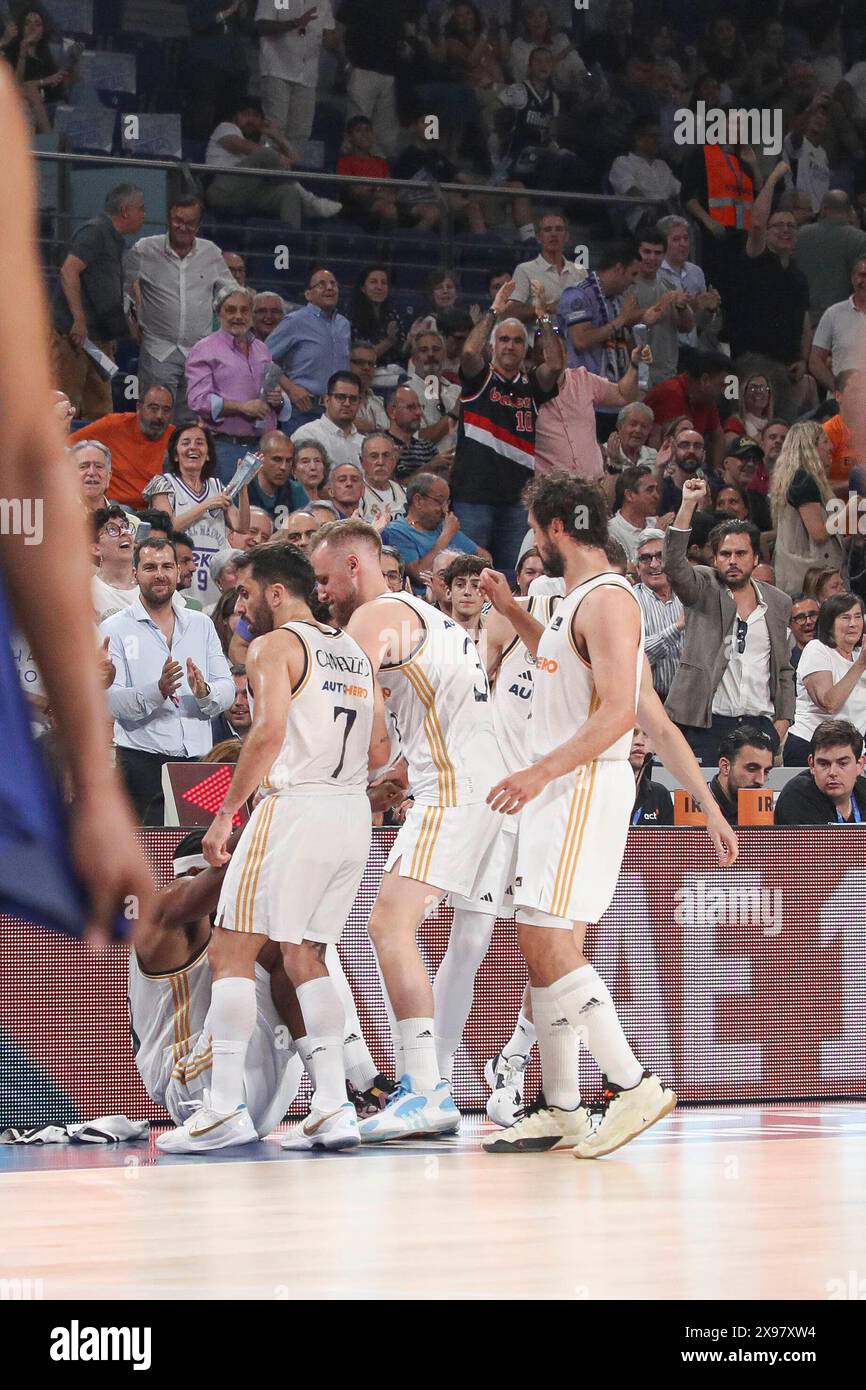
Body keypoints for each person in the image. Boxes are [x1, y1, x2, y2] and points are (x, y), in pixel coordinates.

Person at [478, 472, 737, 1156]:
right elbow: (601, 685)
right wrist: (708, 802)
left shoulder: (610, 599)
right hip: (566, 786)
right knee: (542, 951)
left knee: (549, 945)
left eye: (537, 529)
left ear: (557, 528)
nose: (534, 539)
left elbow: (624, 714)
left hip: (579, 785)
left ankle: (632, 1084)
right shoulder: (575, 604)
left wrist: (538, 772)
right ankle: (563, 1107)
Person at [160, 541, 389, 1152]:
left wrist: (226, 814)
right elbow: (378, 749)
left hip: (294, 806)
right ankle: (335, 1106)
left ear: (277, 592)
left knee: (229, 950)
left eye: (245, 592)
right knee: (308, 955)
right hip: (349, 815)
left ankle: (222, 1107)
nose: (240, 605)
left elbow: (267, 731)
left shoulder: (274, 645)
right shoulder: (355, 653)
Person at [310, 519, 511, 1141]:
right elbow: (440, 713)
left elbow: (343, 698)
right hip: (482, 786)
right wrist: (396, 769)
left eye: (324, 579)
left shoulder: (373, 618)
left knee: (387, 924)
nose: (321, 593)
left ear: (353, 566)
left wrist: (325, 781)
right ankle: (438, 1083)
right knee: (450, 933)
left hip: (454, 790)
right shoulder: (436, 620)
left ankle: (425, 1089)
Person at [131, 829, 304, 1152]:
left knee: (301, 931)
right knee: (289, 934)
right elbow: (204, 888)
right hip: (193, 1090)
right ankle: (354, 1082)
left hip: (268, 1097)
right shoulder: (164, 911)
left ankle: (342, 1094)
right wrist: (270, 814)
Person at [101, 535, 235, 824]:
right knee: (147, 859)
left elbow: (228, 689)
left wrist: (204, 692)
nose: (160, 574)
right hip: (141, 765)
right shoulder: (115, 628)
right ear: (135, 574)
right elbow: (110, 701)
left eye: (166, 566)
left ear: (177, 571)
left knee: (201, 853)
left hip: (201, 763)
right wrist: (157, 691)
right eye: (150, 567)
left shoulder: (201, 624)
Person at [663, 478, 794, 766]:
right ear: (714, 559)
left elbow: (783, 669)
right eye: (725, 554)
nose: (732, 560)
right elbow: (673, 564)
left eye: (741, 553)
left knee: (756, 809)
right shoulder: (703, 587)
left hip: (760, 726)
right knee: (700, 806)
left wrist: (783, 720)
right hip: (707, 724)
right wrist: (688, 504)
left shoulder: (779, 602)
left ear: (756, 557)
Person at [451, 278, 563, 572]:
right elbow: (468, 354)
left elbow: (554, 365)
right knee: (469, 572)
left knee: (513, 575)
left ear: (526, 349)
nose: (510, 346)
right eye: (503, 339)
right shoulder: (479, 377)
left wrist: (543, 318)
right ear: (494, 346)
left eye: (517, 341)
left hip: (517, 500)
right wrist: (494, 312)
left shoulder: (532, 385)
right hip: (472, 496)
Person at [124, 195, 238, 421]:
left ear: (198, 225)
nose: (183, 227)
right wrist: (130, 323)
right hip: (158, 349)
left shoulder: (211, 252)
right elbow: (124, 290)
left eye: (189, 222)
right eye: (178, 220)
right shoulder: (144, 249)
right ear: (168, 219)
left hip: (199, 353)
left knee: (190, 423)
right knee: (153, 420)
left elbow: (230, 291)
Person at [727, 161, 816, 420]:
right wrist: (774, 175)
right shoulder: (758, 259)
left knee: (787, 430)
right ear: (766, 233)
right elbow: (756, 223)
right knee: (757, 426)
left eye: (791, 226)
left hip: (789, 367)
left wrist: (803, 359)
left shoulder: (798, 275)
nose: (786, 230)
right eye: (778, 225)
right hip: (755, 361)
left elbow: (805, 320)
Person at [50, 183, 145, 419]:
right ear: (125, 211)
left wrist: (110, 336)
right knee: (64, 406)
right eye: (140, 209)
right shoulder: (95, 232)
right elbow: (69, 271)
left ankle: (95, 455)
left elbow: (105, 291)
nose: (144, 215)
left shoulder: (115, 240)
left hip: (97, 341)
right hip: (73, 338)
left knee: (100, 411)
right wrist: (78, 320)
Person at [186, 284, 290, 485]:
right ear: (218, 314)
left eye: (244, 310)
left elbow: (272, 393)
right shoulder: (204, 349)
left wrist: (278, 399)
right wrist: (242, 407)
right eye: (230, 310)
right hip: (224, 448)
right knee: (228, 512)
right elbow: (198, 401)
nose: (238, 316)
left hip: (262, 449)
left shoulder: (262, 349)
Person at [143, 422, 250, 608]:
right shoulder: (163, 483)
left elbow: (241, 526)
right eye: (186, 443)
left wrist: (243, 487)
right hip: (180, 571)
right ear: (175, 454)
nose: (193, 447)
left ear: (208, 453)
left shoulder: (217, 486)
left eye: (200, 442)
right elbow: (167, 527)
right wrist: (206, 505)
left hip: (212, 572)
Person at [204, 97, 340, 230]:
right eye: (245, 115)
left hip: (249, 193)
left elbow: (295, 159)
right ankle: (310, 201)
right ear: (235, 117)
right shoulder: (226, 128)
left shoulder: (261, 145)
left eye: (255, 116)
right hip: (221, 189)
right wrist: (276, 157)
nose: (250, 120)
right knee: (266, 154)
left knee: (289, 193)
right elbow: (244, 146)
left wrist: (277, 135)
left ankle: (290, 244)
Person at [535, 344, 651, 482]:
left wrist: (634, 365)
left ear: (567, 355)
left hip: (593, 487)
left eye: (558, 351)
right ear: (537, 356)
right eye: (547, 352)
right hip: (552, 491)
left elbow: (623, 395)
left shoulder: (583, 379)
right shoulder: (523, 389)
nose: (553, 358)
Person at [783, 593, 866, 766]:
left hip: (851, 751)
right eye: (845, 617)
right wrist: (860, 665)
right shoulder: (817, 650)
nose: (853, 624)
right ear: (829, 623)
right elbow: (829, 704)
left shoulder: (859, 654)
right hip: (811, 747)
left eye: (858, 617)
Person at [265, 266, 351, 430]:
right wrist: (291, 388)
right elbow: (262, 358)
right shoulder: (295, 321)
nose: (329, 288)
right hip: (304, 410)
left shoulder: (344, 325)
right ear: (308, 294)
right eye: (321, 284)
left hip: (337, 412)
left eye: (333, 284)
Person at [769, 421, 847, 597]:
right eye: (825, 442)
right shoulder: (803, 481)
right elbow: (818, 533)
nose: (831, 447)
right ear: (811, 447)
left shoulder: (798, 479)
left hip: (801, 578)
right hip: (809, 582)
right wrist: (848, 511)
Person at [68, 386, 174, 508]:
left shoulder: (176, 438)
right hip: (113, 510)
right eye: (153, 408)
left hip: (155, 510)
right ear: (139, 408)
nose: (159, 416)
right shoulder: (112, 426)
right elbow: (64, 446)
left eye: (166, 410)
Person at [381, 472, 483, 592]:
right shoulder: (397, 532)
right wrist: (446, 536)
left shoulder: (442, 526)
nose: (445, 509)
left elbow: (484, 556)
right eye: (439, 502)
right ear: (418, 500)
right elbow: (420, 575)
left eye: (447, 502)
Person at [254, 0, 337, 147]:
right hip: (277, 68)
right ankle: (268, 166)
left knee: (301, 133)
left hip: (307, 75)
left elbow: (328, 32)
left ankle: (291, 167)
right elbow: (262, 25)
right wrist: (296, 23)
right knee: (275, 128)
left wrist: (331, 40)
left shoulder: (323, 2)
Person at [644, 350, 730, 475]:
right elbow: (655, 439)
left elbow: (718, 435)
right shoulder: (670, 392)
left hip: (690, 466)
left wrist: (716, 469)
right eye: (721, 385)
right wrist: (663, 472)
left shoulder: (707, 399)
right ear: (705, 380)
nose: (723, 392)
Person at [631, 224, 694, 388]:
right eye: (647, 252)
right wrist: (662, 304)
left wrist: (682, 307)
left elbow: (686, 327)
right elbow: (625, 320)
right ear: (637, 252)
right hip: (636, 371)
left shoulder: (668, 284)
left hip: (667, 372)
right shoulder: (627, 285)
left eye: (657, 253)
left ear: (664, 255)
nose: (652, 258)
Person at [792, 189, 866, 327]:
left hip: (804, 319)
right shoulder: (860, 239)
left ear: (824, 209)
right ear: (849, 211)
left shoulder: (800, 234)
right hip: (841, 322)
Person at [775, 719, 866, 825]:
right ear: (812, 765)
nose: (832, 772)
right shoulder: (796, 797)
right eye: (824, 764)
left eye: (842, 763)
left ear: (859, 765)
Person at [505, 209, 586, 322]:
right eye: (548, 230)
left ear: (567, 236)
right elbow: (512, 312)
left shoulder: (580, 271)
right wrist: (549, 308)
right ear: (538, 237)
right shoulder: (525, 270)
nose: (553, 234)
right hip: (538, 336)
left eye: (559, 229)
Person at [657, 213, 722, 352]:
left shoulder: (696, 272)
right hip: (666, 350)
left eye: (686, 238)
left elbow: (699, 324)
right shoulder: (655, 272)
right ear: (662, 243)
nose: (683, 244)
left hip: (692, 347)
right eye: (676, 239)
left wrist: (709, 309)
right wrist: (693, 305)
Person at [633, 527, 683, 700]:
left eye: (660, 556)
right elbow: (635, 657)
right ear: (637, 568)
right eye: (645, 558)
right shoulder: (630, 601)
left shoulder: (689, 595)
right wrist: (677, 628)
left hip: (693, 704)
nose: (654, 564)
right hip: (650, 703)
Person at [608, 119, 681, 236]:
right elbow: (631, 190)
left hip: (670, 213)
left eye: (659, 137)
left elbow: (678, 191)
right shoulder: (623, 162)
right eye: (653, 136)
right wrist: (652, 208)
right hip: (644, 218)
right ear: (639, 139)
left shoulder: (662, 165)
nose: (658, 141)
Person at [809, 260, 866, 393]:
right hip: (842, 404)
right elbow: (815, 360)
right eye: (862, 275)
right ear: (852, 278)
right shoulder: (833, 314)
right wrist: (837, 388)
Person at [289, 369, 363, 470]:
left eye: (353, 399)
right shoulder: (307, 434)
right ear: (327, 400)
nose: (347, 403)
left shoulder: (364, 443)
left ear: (359, 403)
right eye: (340, 397)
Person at [335, 114, 398, 230]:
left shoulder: (381, 162)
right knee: (389, 210)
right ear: (349, 137)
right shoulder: (345, 161)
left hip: (382, 203)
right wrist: (377, 190)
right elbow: (354, 191)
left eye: (368, 130)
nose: (364, 134)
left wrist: (372, 190)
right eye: (358, 130)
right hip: (357, 207)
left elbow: (391, 191)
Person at [706, 725, 775, 825]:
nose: (761, 781)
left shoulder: (763, 810)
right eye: (752, 769)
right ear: (725, 767)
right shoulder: (695, 807)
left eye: (766, 771)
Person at [711, 437, 772, 532]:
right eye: (744, 458)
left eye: (755, 459)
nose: (751, 464)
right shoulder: (711, 493)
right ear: (726, 463)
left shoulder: (760, 502)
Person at [348, 266, 406, 364]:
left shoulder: (392, 314)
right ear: (363, 288)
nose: (379, 287)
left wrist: (413, 337)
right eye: (373, 282)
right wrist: (389, 341)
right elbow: (363, 356)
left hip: (394, 370)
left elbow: (402, 352)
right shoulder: (351, 316)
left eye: (383, 283)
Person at [607, 464, 663, 563]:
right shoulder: (611, 531)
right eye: (649, 490)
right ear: (629, 495)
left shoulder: (657, 523)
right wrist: (656, 536)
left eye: (656, 489)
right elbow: (627, 571)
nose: (656, 496)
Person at [91, 506, 138, 623]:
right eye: (112, 530)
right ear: (95, 548)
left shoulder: (153, 582)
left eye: (125, 527)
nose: (123, 533)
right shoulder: (88, 593)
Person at [246, 430, 305, 520]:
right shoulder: (243, 490)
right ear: (259, 458)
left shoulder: (296, 491)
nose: (283, 467)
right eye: (277, 459)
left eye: (288, 461)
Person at [357, 432, 406, 524]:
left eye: (386, 456)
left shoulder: (406, 494)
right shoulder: (356, 496)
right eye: (374, 456)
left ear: (394, 460)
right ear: (362, 461)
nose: (380, 462)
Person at [629, 727, 673, 825]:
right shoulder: (600, 789)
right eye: (632, 733)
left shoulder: (660, 794)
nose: (639, 742)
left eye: (647, 734)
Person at [443, 553, 489, 640]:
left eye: (475, 585)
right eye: (460, 585)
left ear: (487, 594)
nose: (467, 592)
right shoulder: (434, 636)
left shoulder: (496, 636)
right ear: (448, 591)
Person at [350, 340, 390, 434]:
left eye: (371, 364)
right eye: (360, 362)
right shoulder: (337, 400)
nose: (366, 368)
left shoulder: (380, 402)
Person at [789, 593, 820, 672]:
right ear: (789, 625)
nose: (808, 622)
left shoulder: (839, 653)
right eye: (800, 618)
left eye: (813, 615)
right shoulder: (789, 665)